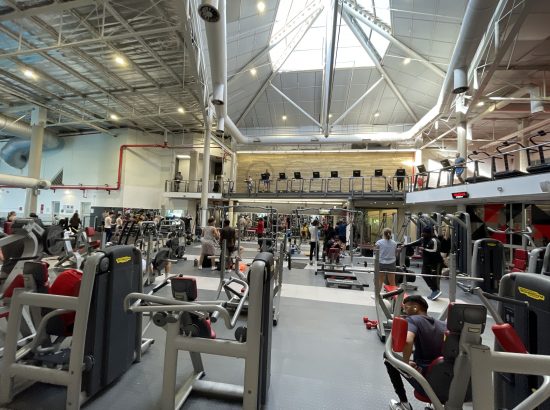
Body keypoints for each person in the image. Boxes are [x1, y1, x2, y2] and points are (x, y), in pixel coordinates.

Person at [384, 295, 446, 410]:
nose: (405, 311)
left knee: (388, 356)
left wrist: (406, 364)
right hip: (446, 383)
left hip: (425, 382)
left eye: (406, 308)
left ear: (416, 308)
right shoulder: (443, 325)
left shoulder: (412, 319)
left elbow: (408, 341)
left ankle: (404, 404)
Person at [404, 226, 444, 300]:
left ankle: (436, 291)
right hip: (427, 262)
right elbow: (414, 243)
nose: (423, 234)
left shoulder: (434, 240)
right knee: (424, 274)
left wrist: (424, 249)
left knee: (435, 278)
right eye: (423, 232)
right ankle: (435, 290)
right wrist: (404, 245)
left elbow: (435, 251)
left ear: (429, 233)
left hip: (436, 262)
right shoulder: (422, 239)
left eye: (425, 233)